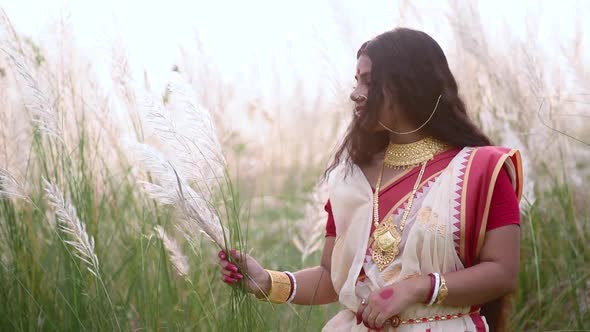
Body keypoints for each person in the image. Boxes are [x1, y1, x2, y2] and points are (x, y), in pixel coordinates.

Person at [218, 27, 523, 332]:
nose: (355, 93)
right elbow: (332, 277)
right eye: (357, 81)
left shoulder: (480, 170)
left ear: (408, 85)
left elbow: (502, 272)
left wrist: (415, 289)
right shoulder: (351, 180)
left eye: (369, 81)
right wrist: (268, 282)